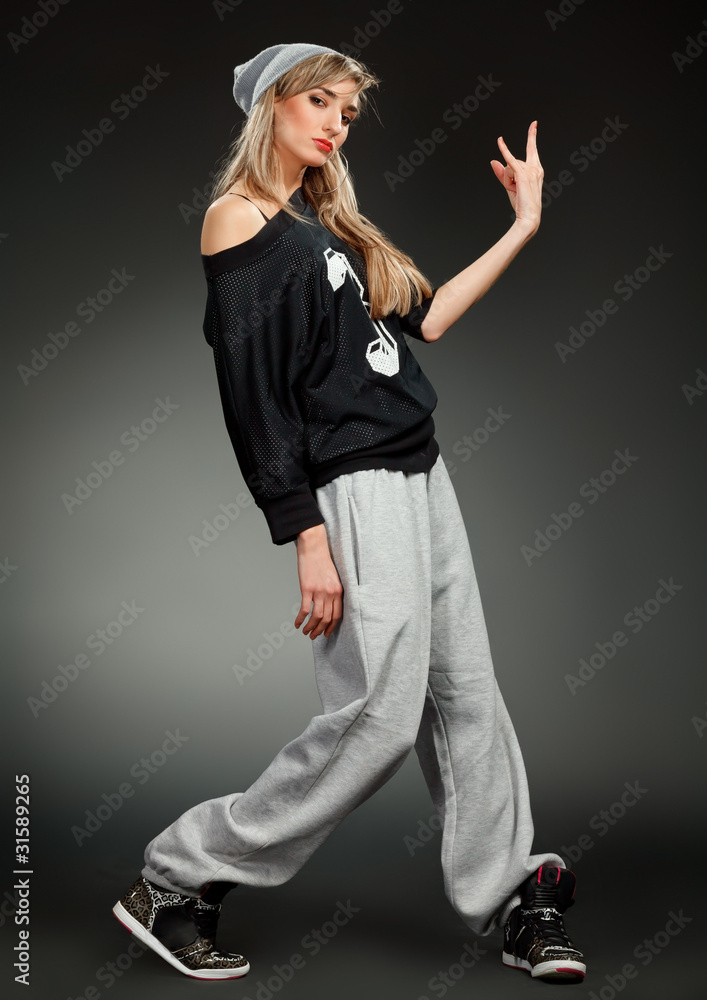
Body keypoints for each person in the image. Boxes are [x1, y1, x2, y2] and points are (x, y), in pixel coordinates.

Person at [112, 42, 586, 983]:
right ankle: (177, 877)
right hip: (353, 484)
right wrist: (306, 536)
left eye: (347, 111)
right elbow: (253, 398)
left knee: (466, 695)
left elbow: (430, 318)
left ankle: (508, 893)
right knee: (376, 717)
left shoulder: (324, 224)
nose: (335, 122)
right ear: (271, 105)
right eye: (318, 101)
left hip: (420, 472)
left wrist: (525, 223)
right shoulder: (238, 219)